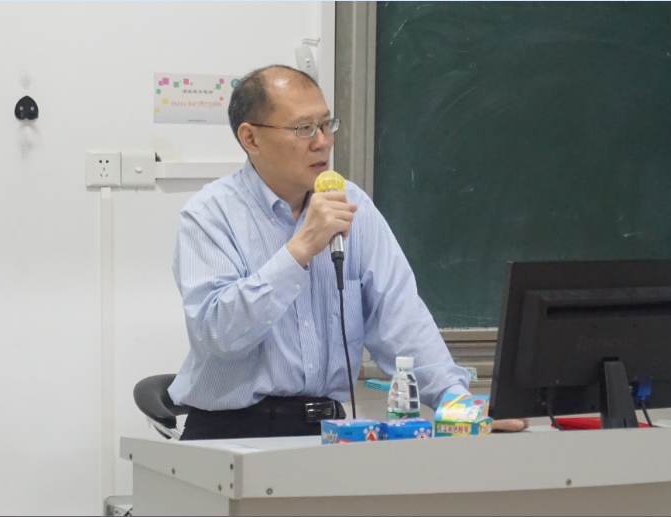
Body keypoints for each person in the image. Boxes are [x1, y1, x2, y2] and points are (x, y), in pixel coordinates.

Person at [168, 64, 528, 440]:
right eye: (304, 129)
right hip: (232, 431)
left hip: (330, 428)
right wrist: (300, 249)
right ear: (251, 138)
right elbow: (217, 334)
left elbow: (400, 317)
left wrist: (457, 402)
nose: (322, 142)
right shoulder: (210, 214)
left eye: (327, 125)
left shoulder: (352, 202)